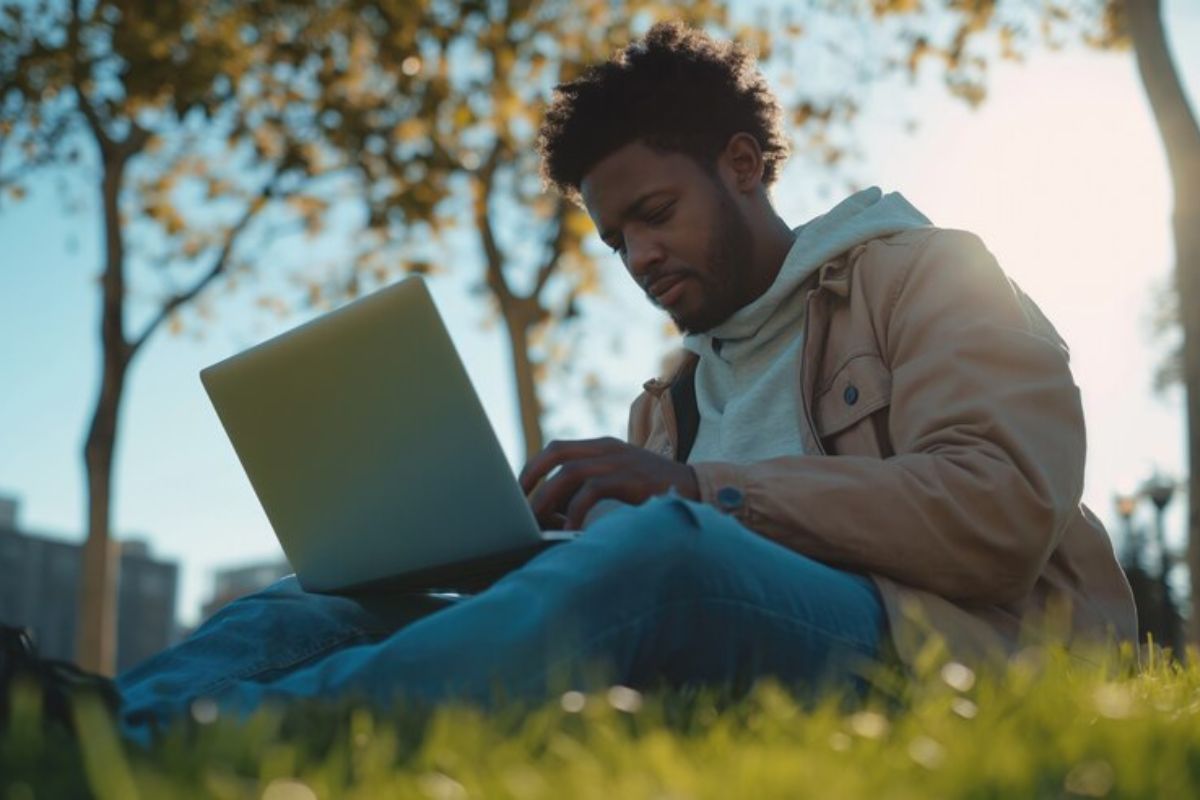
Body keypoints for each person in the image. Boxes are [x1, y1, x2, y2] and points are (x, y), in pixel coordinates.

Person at [115, 22, 1136, 735]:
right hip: (707, 623)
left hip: (950, 645)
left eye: (655, 211)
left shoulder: (922, 272)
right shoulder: (671, 399)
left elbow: (1001, 506)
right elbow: (617, 586)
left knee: (667, 551)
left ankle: (211, 735)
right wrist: (514, 552)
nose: (640, 254)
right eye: (615, 239)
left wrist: (697, 492)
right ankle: (101, 714)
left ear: (743, 164)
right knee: (311, 599)